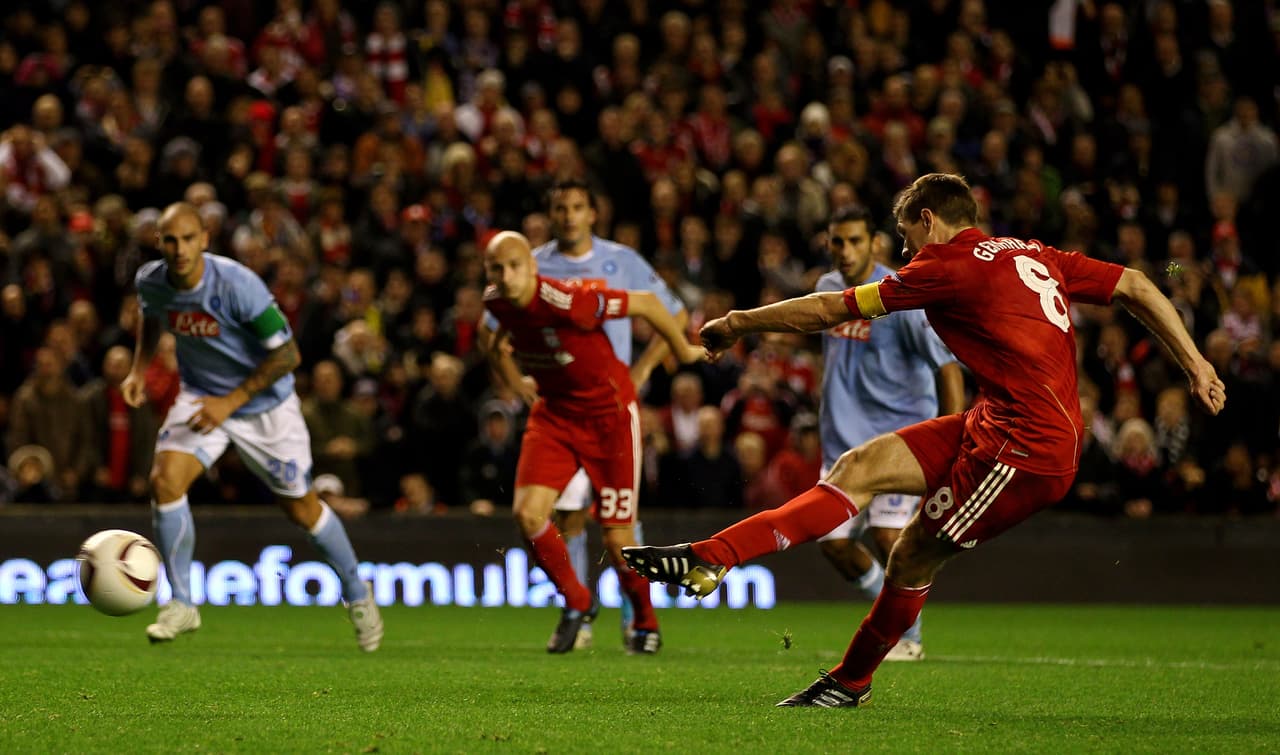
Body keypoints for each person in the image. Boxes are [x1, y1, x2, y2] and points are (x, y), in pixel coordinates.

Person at [623, 173, 1225, 706]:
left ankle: (850, 681)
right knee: (857, 467)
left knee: (912, 552)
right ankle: (710, 559)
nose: (904, 249)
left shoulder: (943, 265)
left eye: (907, 234)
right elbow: (1139, 284)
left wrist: (739, 322)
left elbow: (832, 309)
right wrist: (1195, 365)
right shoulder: (1032, 252)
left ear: (929, 220)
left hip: (1027, 450)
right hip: (995, 418)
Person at [122, 202, 383, 651]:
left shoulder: (239, 285)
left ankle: (358, 592)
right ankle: (181, 602)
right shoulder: (152, 281)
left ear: (205, 238)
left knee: (301, 509)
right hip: (202, 397)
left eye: (188, 239)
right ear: (159, 242)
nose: (179, 249)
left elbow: (288, 356)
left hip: (264, 406)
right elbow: (151, 317)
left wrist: (231, 403)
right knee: (165, 482)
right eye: (170, 240)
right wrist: (138, 369)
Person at [479, 230, 703, 655]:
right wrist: (513, 383)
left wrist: (684, 351)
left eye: (513, 266)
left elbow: (651, 304)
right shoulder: (495, 301)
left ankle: (645, 621)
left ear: (531, 266)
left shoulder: (570, 301)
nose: (506, 277)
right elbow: (492, 342)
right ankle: (578, 603)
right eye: (496, 268)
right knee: (528, 517)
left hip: (610, 418)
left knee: (617, 540)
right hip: (555, 416)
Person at [534, 178, 687, 649]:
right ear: (552, 213)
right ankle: (577, 615)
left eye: (577, 206)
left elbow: (675, 314)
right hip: (561, 410)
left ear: (591, 214)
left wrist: (642, 369)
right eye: (560, 207)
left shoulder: (621, 261)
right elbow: (497, 326)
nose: (569, 216)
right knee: (566, 516)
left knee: (621, 523)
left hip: (612, 410)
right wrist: (522, 376)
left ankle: (634, 618)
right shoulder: (536, 265)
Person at [811, 206, 965, 662]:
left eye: (855, 241)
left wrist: (949, 439)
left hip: (897, 441)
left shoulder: (898, 297)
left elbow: (947, 368)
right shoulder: (826, 289)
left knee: (887, 538)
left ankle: (906, 635)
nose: (845, 251)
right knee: (834, 544)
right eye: (838, 242)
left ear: (874, 242)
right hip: (842, 444)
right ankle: (894, 614)